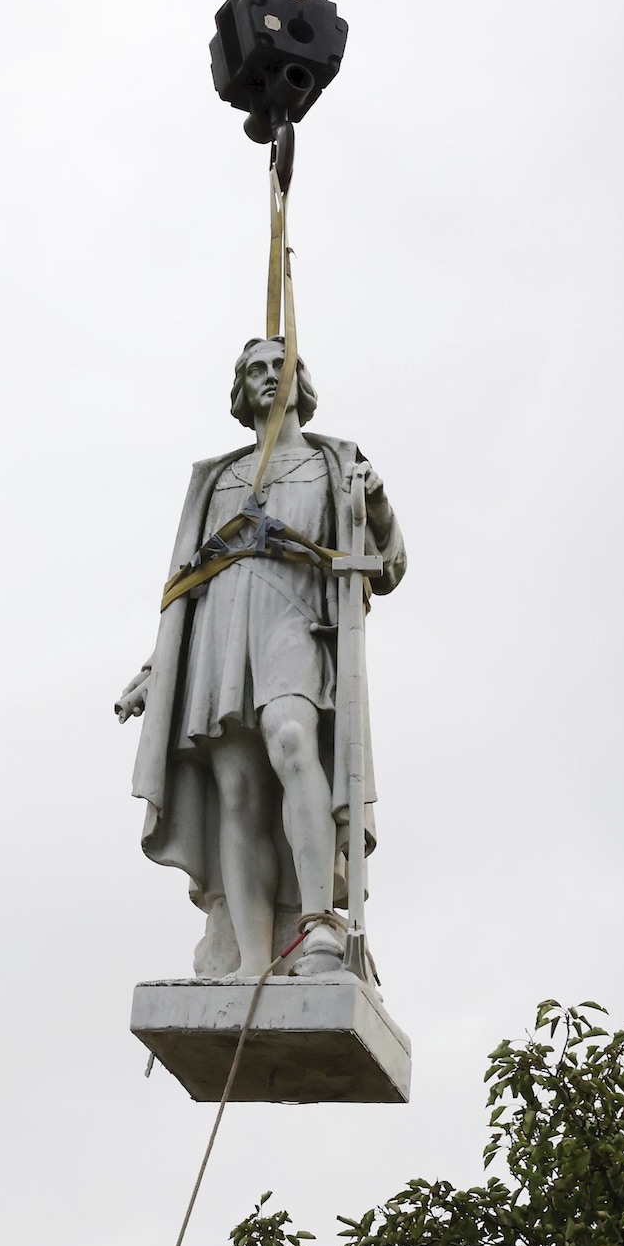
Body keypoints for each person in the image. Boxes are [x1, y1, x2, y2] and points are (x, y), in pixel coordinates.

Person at [116, 337, 405, 979]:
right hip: (220, 631)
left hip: (293, 617)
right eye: (256, 370)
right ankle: (249, 959)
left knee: (293, 738)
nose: (270, 377)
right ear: (241, 391)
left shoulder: (337, 464)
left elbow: (387, 565)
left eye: (283, 366)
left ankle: (319, 926)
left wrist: (377, 502)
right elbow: (186, 586)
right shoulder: (217, 478)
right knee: (238, 789)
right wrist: (156, 671)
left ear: (302, 380)